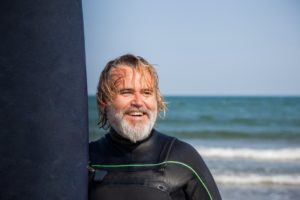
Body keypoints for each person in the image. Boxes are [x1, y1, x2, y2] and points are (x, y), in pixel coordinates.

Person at [89, 54, 222, 200]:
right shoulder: (87, 159)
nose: (138, 102)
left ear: (157, 100)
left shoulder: (182, 157)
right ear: (103, 102)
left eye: (147, 93)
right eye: (126, 92)